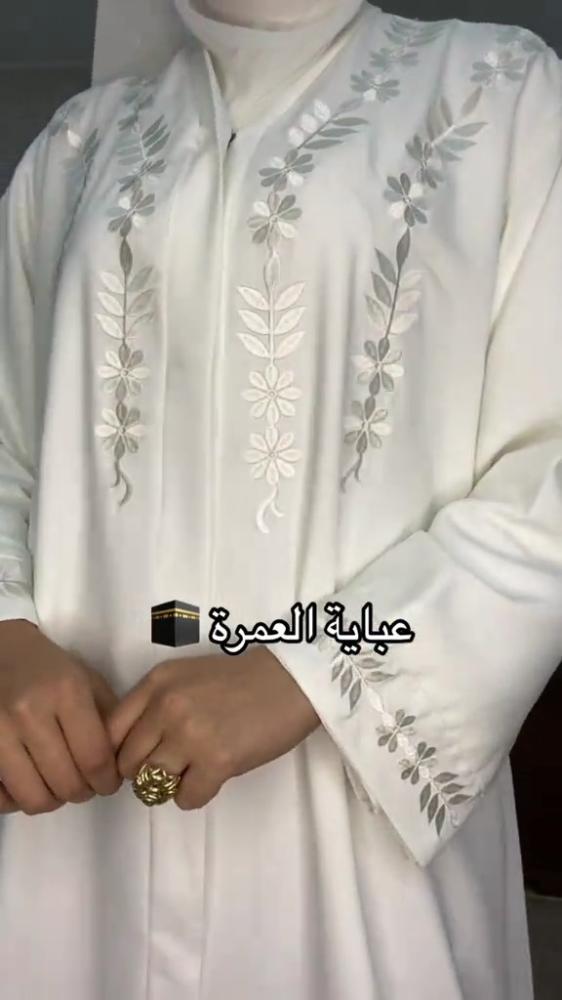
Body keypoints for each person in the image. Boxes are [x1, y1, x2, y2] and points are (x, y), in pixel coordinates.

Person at [0, 0, 561, 996]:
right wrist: (4, 627)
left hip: (357, 842)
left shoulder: (498, 95)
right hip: (82, 814)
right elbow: (9, 437)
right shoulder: (79, 145)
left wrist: (312, 675)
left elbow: (546, 471)